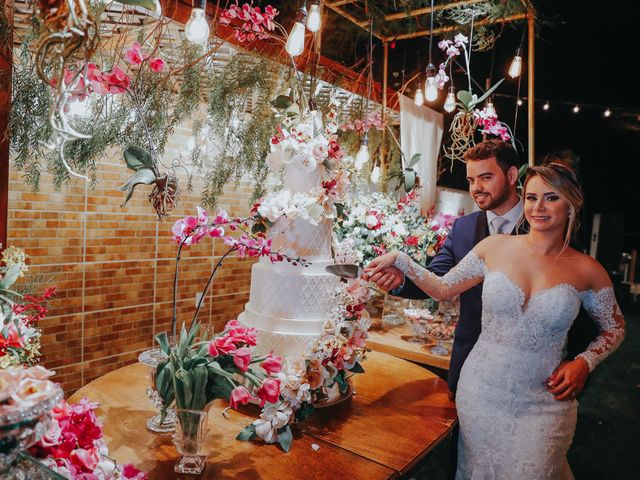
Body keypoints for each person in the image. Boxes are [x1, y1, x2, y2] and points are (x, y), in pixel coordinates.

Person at [364, 162, 625, 478]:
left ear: (571, 204)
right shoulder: (493, 248)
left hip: (545, 398)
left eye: (550, 198)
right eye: (531, 197)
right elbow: (443, 288)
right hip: (481, 392)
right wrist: (402, 261)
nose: (538, 207)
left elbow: (615, 328)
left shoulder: (587, 270)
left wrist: (584, 362)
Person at [368, 139, 523, 394]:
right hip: (469, 358)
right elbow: (439, 279)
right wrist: (402, 281)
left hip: (522, 365)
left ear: (511, 175)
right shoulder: (463, 229)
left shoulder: (542, 229)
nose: (477, 188)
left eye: (485, 178)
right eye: (471, 180)